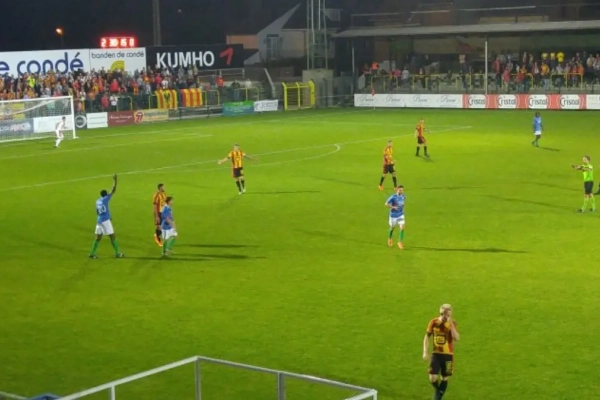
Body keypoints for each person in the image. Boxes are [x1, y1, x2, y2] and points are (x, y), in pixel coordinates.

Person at [423, 304, 460, 400]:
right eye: (443, 314)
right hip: (436, 354)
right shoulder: (434, 322)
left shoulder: (453, 323)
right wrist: (425, 351)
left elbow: (456, 338)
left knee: (444, 377)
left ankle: (437, 397)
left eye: (447, 314)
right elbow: (427, 337)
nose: (445, 316)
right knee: (432, 378)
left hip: (448, 355)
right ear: (440, 313)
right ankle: (438, 390)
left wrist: (451, 324)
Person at [89, 174, 124, 259]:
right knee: (112, 236)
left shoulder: (97, 201)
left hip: (99, 221)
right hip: (105, 221)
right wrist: (115, 181)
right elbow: (113, 190)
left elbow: (97, 212)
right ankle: (117, 253)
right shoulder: (105, 199)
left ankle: (92, 254)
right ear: (105, 195)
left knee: (98, 238)